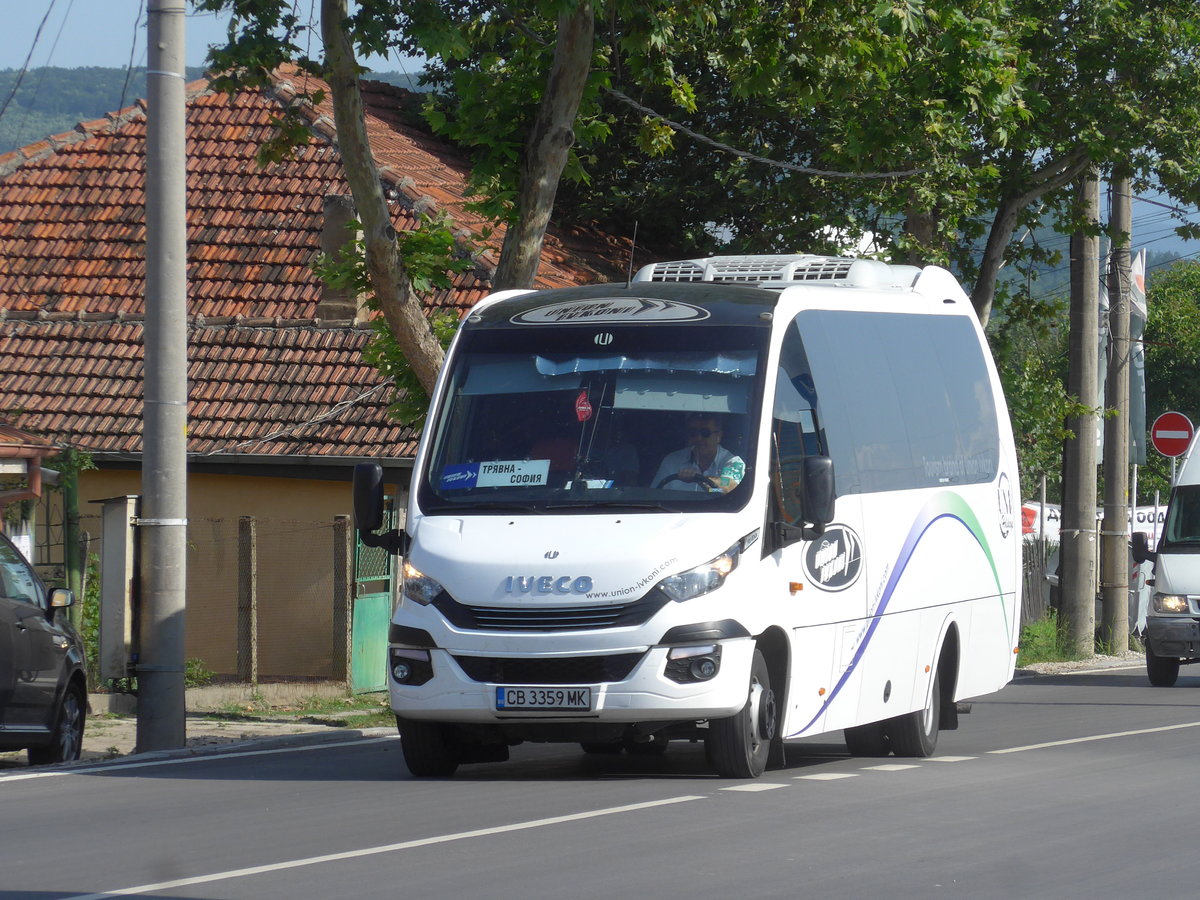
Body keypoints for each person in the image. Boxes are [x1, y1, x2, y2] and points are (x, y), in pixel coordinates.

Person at [651, 413, 745, 492]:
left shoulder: (733, 462)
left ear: (718, 436)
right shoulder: (671, 461)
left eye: (705, 433)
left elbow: (730, 487)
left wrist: (700, 479)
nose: (698, 438)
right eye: (693, 433)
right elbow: (655, 494)